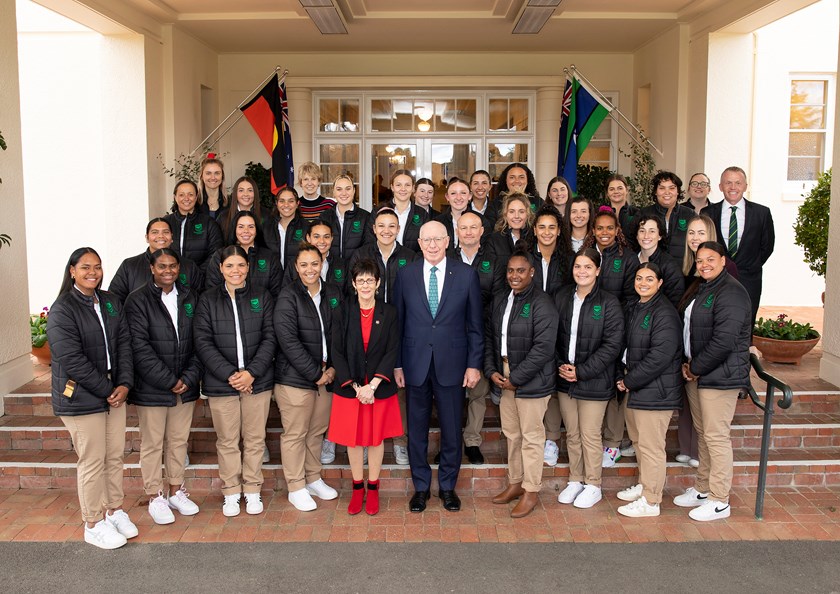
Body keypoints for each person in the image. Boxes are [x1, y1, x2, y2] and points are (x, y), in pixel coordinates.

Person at [46, 248, 137, 549]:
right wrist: (106, 389)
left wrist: (124, 383)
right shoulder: (63, 309)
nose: (93, 273)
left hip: (113, 392)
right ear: (72, 270)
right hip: (83, 397)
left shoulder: (110, 301)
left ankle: (114, 510)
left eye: (97, 267)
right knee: (92, 460)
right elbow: (71, 359)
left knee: (114, 456)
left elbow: (124, 341)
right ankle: (93, 523)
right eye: (85, 267)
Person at [393, 221, 484, 513]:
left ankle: (447, 487)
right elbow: (398, 324)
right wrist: (397, 365)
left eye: (438, 239)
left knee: (451, 430)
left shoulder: (467, 275)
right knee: (416, 430)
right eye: (426, 240)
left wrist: (473, 365)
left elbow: (475, 326)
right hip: (414, 364)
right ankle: (420, 488)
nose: (432, 245)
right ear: (418, 243)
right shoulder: (405, 275)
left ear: (448, 241)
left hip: (453, 366)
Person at [193, 245, 276, 517]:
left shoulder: (261, 297)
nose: (236, 271)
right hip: (222, 383)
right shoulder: (207, 300)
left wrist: (251, 373)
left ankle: (252, 489)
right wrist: (231, 375)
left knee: (254, 439)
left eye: (240, 265)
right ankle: (231, 492)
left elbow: (270, 338)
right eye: (229, 266)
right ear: (220, 269)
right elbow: (203, 342)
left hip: (257, 381)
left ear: (248, 268)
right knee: (227, 441)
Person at [673, 241, 751, 521]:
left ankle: (720, 500)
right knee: (704, 435)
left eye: (710, 259)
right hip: (698, 374)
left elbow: (724, 341)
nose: (703, 264)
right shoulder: (704, 287)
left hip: (719, 377)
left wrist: (696, 367)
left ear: (722, 261)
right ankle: (703, 488)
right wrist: (690, 366)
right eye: (699, 260)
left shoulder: (731, 292)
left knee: (716, 437)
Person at [124, 248, 202, 525]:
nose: (168, 271)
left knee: (179, 441)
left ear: (179, 268)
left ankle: (175, 490)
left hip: (186, 385)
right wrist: (169, 380)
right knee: (153, 443)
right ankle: (155, 495)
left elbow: (199, 340)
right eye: (162, 266)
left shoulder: (190, 297)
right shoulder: (137, 300)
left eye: (173, 266)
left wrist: (189, 377)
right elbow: (139, 347)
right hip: (152, 388)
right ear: (152, 268)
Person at [485, 251, 558, 518]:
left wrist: (516, 378)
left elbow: (544, 348)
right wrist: (492, 369)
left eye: (520, 270)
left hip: (530, 380)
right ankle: (515, 483)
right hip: (504, 375)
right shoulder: (502, 300)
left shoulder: (542, 303)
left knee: (531, 438)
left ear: (532, 272)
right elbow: (492, 337)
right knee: (512, 435)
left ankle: (531, 490)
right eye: (510, 271)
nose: (514, 275)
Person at [328, 259, 402, 516]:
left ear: (378, 283)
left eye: (370, 280)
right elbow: (336, 351)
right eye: (361, 280)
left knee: (375, 439)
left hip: (378, 388)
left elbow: (392, 349)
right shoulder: (342, 311)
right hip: (352, 387)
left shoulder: (389, 312)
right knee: (354, 439)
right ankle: (357, 487)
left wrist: (373, 385)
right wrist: (357, 387)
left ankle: (373, 487)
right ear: (353, 283)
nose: (365, 285)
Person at [273, 243, 343, 511]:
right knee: (295, 434)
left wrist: (333, 369)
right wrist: (315, 373)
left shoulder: (332, 293)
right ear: (296, 267)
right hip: (296, 379)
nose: (310, 269)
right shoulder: (288, 296)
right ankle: (295, 486)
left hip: (326, 377)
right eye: (304, 264)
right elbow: (288, 341)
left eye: (315, 263)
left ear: (322, 264)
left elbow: (339, 333)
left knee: (316, 432)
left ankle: (313, 478)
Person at [554, 249, 624, 509]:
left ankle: (593, 484)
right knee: (572, 433)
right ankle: (576, 479)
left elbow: (612, 344)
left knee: (590, 434)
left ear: (598, 270)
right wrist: (561, 365)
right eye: (577, 266)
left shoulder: (608, 302)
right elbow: (553, 335)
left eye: (587, 267)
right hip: (565, 378)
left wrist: (582, 371)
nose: (581, 271)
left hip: (594, 380)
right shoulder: (562, 297)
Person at [614, 262, 683, 517]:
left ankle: (651, 501)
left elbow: (659, 357)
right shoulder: (638, 307)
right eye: (639, 278)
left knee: (652, 447)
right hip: (639, 389)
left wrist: (629, 381)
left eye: (649, 279)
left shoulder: (663, 313)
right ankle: (645, 486)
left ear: (660, 283)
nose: (643, 283)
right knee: (640, 443)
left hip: (655, 392)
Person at [349, 208, 417, 465]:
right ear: (374, 228)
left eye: (392, 226)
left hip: (400, 327)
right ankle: (366, 441)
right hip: (366, 327)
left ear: (398, 229)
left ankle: (399, 440)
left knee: (397, 384)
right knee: (366, 382)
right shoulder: (361, 254)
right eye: (381, 225)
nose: (386, 230)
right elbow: (352, 289)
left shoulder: (410, 257)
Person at [583, 207, 639, 467]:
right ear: (593, 231)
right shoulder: (587, 256)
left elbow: (631, 297)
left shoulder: (627, 258)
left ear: (617, 231)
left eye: (609, 228)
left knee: (616, 386)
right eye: (599, 228)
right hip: (589, 330)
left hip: (618, 329)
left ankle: (613, 443)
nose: (604, 233)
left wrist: (615, 322)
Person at [450, 211, 503, 464]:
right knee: (450, 393)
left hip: (480, 335)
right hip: (449, 338)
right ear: (456, 231)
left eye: (474, 227)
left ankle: (472, 441)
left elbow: (498, 301)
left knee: (478, 392)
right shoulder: (446, 258)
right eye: (464, 228)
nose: (469, 232)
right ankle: (450, 442)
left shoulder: (493, 262)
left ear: (482, 231)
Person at [701, 166, 775, 326]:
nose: (733, 187)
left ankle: (745, 350)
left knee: (746, 321)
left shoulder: (761, 213)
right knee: (716, 319)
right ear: (720, 187)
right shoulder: (707, 213)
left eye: (738, 183)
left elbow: (767, 246)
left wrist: (752, 264)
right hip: (716, 277)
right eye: (728, 183)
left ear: (745, 186)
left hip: (750, 277)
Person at [529, 205, 573, 466]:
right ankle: (537, 437)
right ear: (534, 230)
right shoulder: (524, 256)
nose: (547, 232)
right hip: (531, 328)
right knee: (537, 381)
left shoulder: (568, 258)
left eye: (552, 227)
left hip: (562, 327)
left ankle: (552, 439)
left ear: (559, 231)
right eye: (542, 227)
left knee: (556, 383)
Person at [109, 217, 203, 302]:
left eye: (165, 232)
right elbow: (114, 299)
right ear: (147, 237)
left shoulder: (188, 266)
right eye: (155, 232)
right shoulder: (130, 265)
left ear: (172, 237)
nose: (161, 236)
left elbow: (200, 298)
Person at [206, 211, 283, 298]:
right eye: (241, 227)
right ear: (234, 229)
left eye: (251, 227)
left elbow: (276, 293)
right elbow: (212, 290)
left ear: (256, 230)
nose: (246, 231)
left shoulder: (270, 257)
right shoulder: (220, 256)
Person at [164, 179, 224, 272]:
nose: (186, 198)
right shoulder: (166, 222)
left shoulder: (208, 223)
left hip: (200, 279)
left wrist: (196, 274)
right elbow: (159, 250)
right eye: (181, 195)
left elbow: (216, 253)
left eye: (190, 194)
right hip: (170, 277)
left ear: (196, 197)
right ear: (175, 197)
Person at [283, 218, 348, 298]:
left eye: (326, 237)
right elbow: (285, 294)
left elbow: (348, 295)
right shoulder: (295, 263)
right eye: (316, 237)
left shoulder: (342, 265)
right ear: (308, 238)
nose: (321, 241)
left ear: (332, 238)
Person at [641, 171, 694, 263]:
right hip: (651, 271)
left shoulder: (689, 214)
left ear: (678, 191)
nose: (667, 192)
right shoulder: (643, 214)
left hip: (683, 271)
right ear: (655, 192)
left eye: (672, 188)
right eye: (662, 188)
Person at [320, 173, 373, 263]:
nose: (344, 193)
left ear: (354, 191)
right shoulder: (325, 217)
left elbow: (368, 248)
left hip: (356, 271)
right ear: (333, 192)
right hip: (331, 271)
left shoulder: (365, 217)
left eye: (348, 189)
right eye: (339, 189)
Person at [636, 214, 685, 307]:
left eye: (652, 231)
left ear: (660, 236)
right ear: (636, 235)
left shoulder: (670, 265)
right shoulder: (630, 260)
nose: (646, 236)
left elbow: (675, 300)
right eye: (642, 231)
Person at [262, 186, 309, 272]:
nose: (286, 205)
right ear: (276, 203)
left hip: (297, 280)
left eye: (291, 201)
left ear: (297, 203)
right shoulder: (266, 227)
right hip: (272, 280)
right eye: (282, 201)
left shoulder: (306, 227)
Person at [485, 192, 534, 266]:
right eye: (512, 212)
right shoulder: (494, 240)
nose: (516, 216)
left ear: (527, 214)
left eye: (521, 212)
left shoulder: (535, 238)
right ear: (505, 214)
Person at [384, 169, 427, 253]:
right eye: (398, 185)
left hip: (413, 263)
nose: (403, 189)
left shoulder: (422, 214)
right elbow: (371, 242)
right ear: (392, 187)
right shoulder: (380, 211)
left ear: (413, 188)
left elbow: (426, 244)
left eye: (407, 185)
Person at [217, 176, 264, 242]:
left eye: (250, 190)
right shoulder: (224, 217)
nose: (245, 194)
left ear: (255, 193)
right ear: (235, 193)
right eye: (241, 190)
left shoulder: (266, 215)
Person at [436, 177, 479, 248]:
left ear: (470, 196)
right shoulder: (438, 223)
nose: (458, 198)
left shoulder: (480, 220)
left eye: (463, 193)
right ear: (447, 197)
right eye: (453, 193)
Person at [606, 174, 641, 250]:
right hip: (605, 257)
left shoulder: (637, 213)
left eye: (620, 188)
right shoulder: (600, 213)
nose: (616, 192)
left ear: (627, 190)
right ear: (607, 193)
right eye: (612, 189)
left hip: (631, 257)